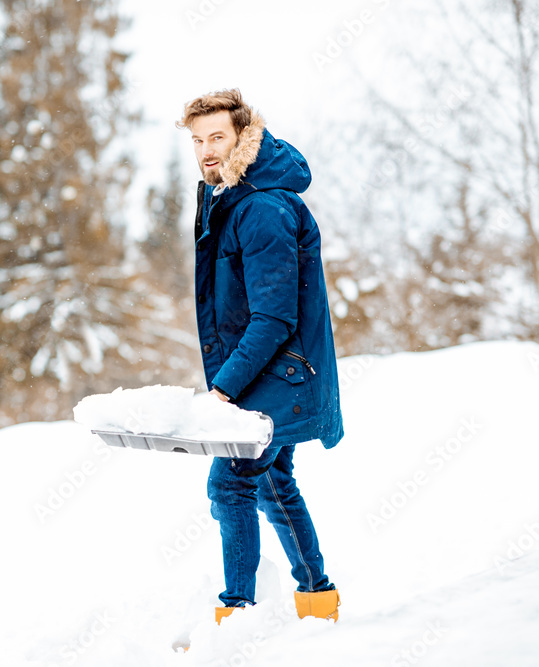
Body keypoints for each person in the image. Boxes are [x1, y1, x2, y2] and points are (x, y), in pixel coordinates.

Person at [176, 89, 344, 624]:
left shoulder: (262, 207)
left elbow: (274, 318)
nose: (206, 150)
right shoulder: (235, 198)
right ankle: (317, 601)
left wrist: (224, 388)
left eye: (217, 137)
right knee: (272, 482)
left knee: (230, 484)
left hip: (279, 376)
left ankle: (238, 616)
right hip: (274, 375)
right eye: (199, 140)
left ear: (243, 136)